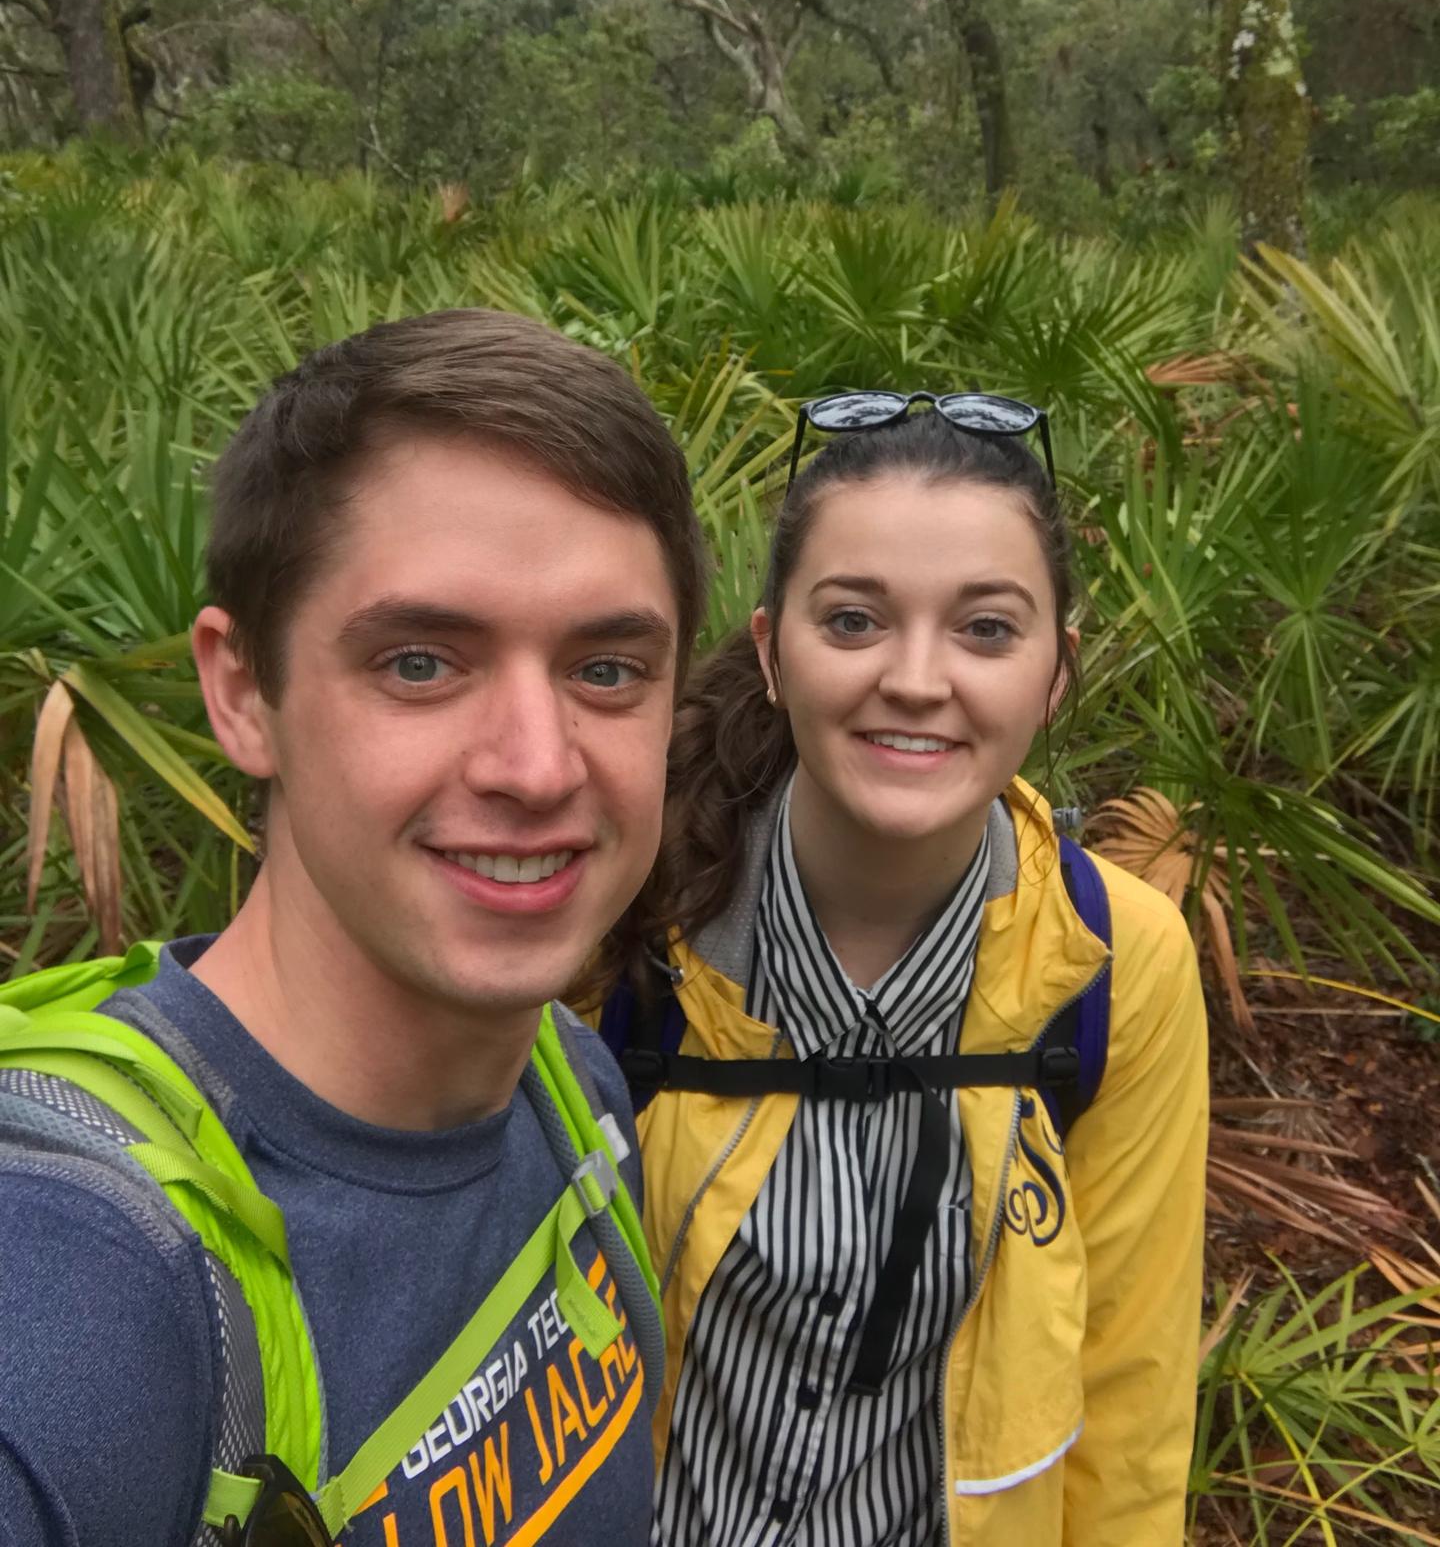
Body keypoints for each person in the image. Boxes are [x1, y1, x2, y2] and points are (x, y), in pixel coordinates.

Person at [0, 311, 708, 1547]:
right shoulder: (87, 1277)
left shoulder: (567, 1085)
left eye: (607, 670)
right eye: (422, 664)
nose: (539, 768)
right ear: (242, 693)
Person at [605, 394, 1209, 1547]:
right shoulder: (636, 928)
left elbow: (1132, 1392)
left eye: (986, 629)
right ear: (773, 648)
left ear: (1055, 673)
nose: (919, 679)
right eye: (854, 621)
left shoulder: (1115, 964)